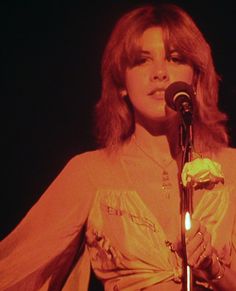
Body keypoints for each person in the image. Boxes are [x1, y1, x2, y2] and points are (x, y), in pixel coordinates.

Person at [0, 3, 236, 291]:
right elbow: (14, 269)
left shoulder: (231, 168)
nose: (160, 72)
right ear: (121, 81)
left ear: (196, 78)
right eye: (142, 60)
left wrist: (213, 268)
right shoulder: (89, 172)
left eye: (174, 58)